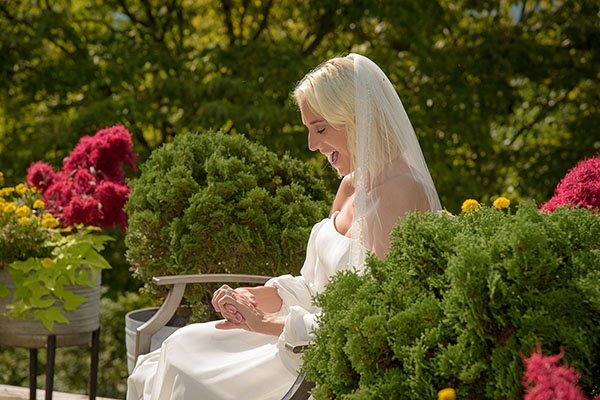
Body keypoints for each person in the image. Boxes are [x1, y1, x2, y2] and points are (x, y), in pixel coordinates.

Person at [127, 53, 442, 400]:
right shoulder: (351, 184)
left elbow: (373, 315)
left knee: (190, 375)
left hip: (322, 357)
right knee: (181, 344)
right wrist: (253, 298)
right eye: (309, 130)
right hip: (295, 334)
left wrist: (265, 324)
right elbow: (315, 284)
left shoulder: (401, 192)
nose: (312, 144)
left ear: (356, 119)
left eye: (320, 129)